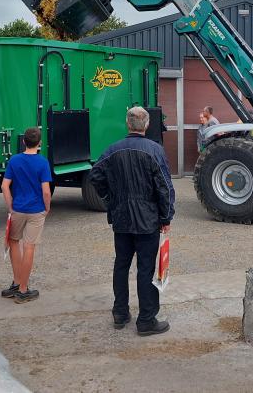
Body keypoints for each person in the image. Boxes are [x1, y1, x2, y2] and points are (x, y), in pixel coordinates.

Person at [89, 106, 175, 336]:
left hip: (122, 218)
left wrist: (111, 198)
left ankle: (120, 312)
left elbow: (95, 175)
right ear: (146, 125)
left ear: (128, 124)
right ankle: (146, 319)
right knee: (145, 268)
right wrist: (166, 217)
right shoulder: (154, 151)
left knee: (122, 264)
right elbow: (165, 188)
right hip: (147, 220)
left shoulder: (112, 150)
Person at [1, 127, 52, 304]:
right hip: (36, 210)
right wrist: (47, 208)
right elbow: (46, 191)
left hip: (18, 209)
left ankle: (16, 282)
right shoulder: (43, 162)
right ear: (40, 143)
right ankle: (23, 289)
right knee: (29, 246)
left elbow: (5, 186)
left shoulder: (14, 160)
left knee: (14, 242)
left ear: (23, 141)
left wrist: (10, 207)